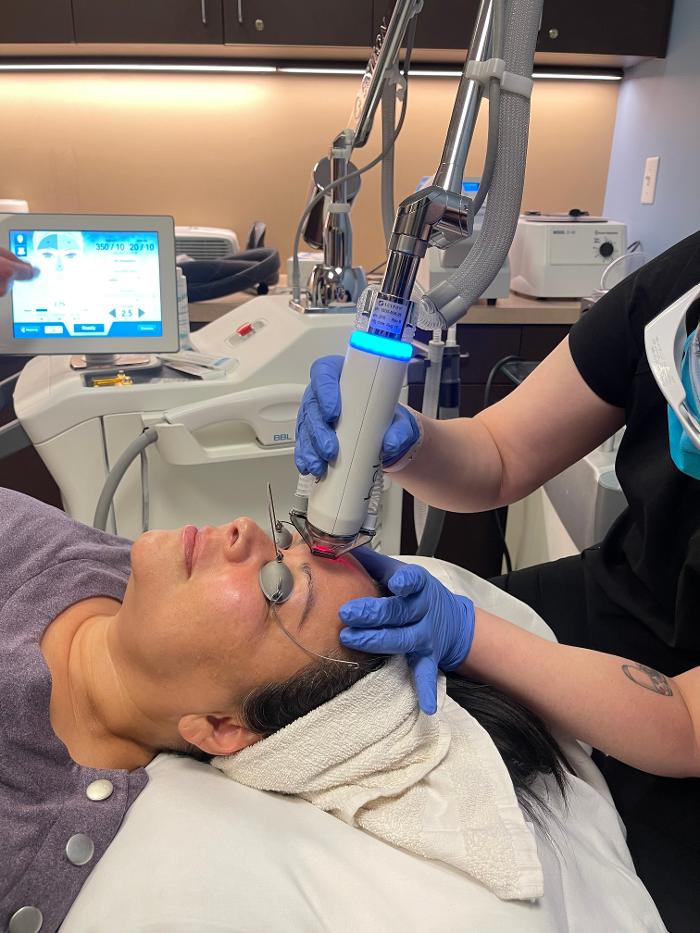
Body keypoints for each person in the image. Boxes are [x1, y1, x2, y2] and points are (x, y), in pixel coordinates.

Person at [295, 230, 700, 929]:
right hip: (621, 592)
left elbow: (687, 725)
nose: (238, 536)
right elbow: (502, 453)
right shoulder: (681, 283)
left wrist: (468, 633)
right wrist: (406, 438)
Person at [5, 487, 637, 932]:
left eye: (275, 586)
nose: (245, 529)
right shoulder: (36, 539)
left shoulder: (31, 825)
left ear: (223, 728)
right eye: (286, 545)